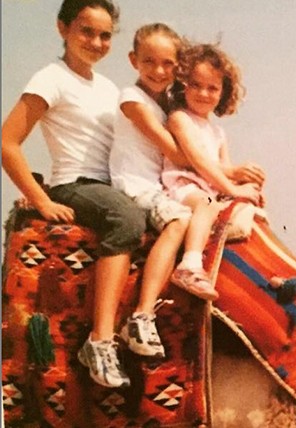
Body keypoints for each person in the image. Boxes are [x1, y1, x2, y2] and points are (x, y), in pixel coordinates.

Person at [1, 0, 138, 388]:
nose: (96, 41)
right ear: (63, 29)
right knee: (127, 219)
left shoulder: (109, 87)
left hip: (110, 183)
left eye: (105, 35)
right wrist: (42, 199)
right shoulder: (51, 78)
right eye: (86, 31)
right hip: (76, 183)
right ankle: (100, 340)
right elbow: (8, 143)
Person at [108, 23, 197, 362]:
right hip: (135, 187)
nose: (159, 71)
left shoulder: (166, 107)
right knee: (180, 219)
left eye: (168, 64)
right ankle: (142, 316)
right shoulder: (133, 100)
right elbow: (177, 153)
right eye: (150, 62)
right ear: (134, 61)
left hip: (158, 187)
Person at [162, 43, 264, 294]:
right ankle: (190, 266)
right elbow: (198, 160)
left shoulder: (218, 132)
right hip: (184, 187)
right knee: (208, 203)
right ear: (182, 85)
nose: (203, 93)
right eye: (195, 85)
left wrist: (245, 185)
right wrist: (231, 186)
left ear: (223, 92)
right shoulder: (179, 119)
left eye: (212, 88)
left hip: (210, 189)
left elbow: (224, 168)